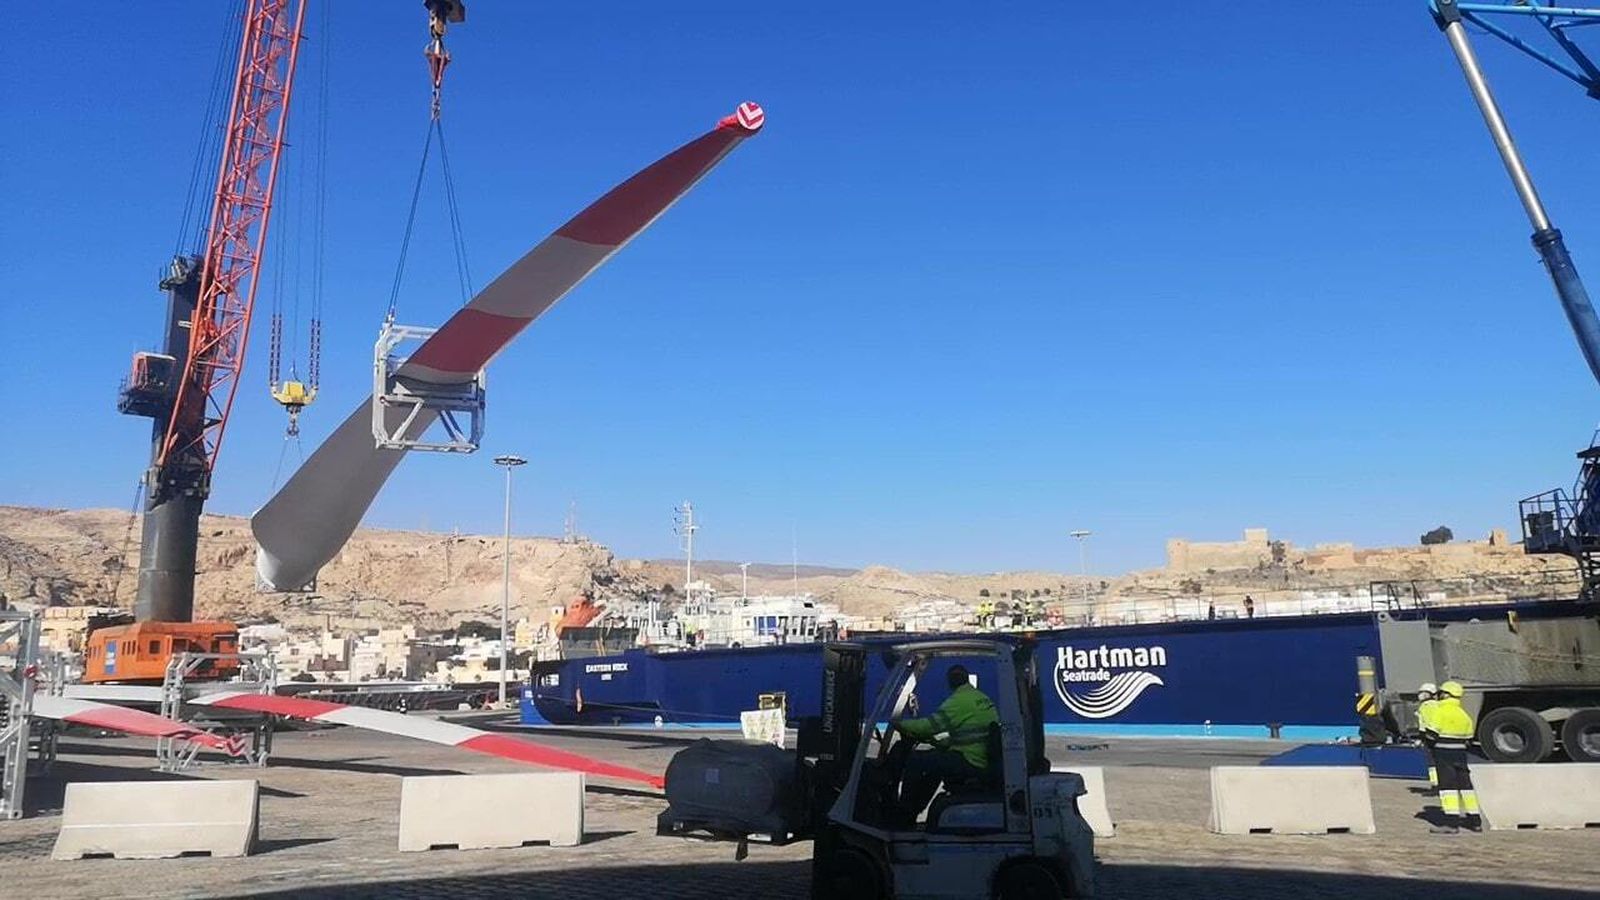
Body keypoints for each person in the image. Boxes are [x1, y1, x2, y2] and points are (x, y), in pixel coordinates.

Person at [893, 665, 999, 825]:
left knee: (917, 761)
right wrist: (937, 742)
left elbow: (929, 726)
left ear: (950, 682)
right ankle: (912, 812)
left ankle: (904, 812)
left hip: (971, 760)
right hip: (977, 756)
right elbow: (966, 734)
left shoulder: (959, 701)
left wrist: (899, 724)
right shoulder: (980, 697)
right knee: (934, 766)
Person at [1423, 680, 1480, 833]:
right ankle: (1475, 821)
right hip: (1460, 754)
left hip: (1443, 754)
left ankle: (1451, 823)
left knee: (1448, 787)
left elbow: (1431, 735)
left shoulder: (1439, 711)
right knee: (1466, 787)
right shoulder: (1464, 715)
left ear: (1445, 695)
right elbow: (1469, 738)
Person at [1415, 683, 1440, 790]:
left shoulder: (1425, 706)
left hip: (1429, 738)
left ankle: (1435, 785)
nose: (1421, 695)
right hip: (1438, 737)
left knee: (1431, 763)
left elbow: (1424, 725)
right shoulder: (1438, 705)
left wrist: (1421, 739)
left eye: (1423, 693)